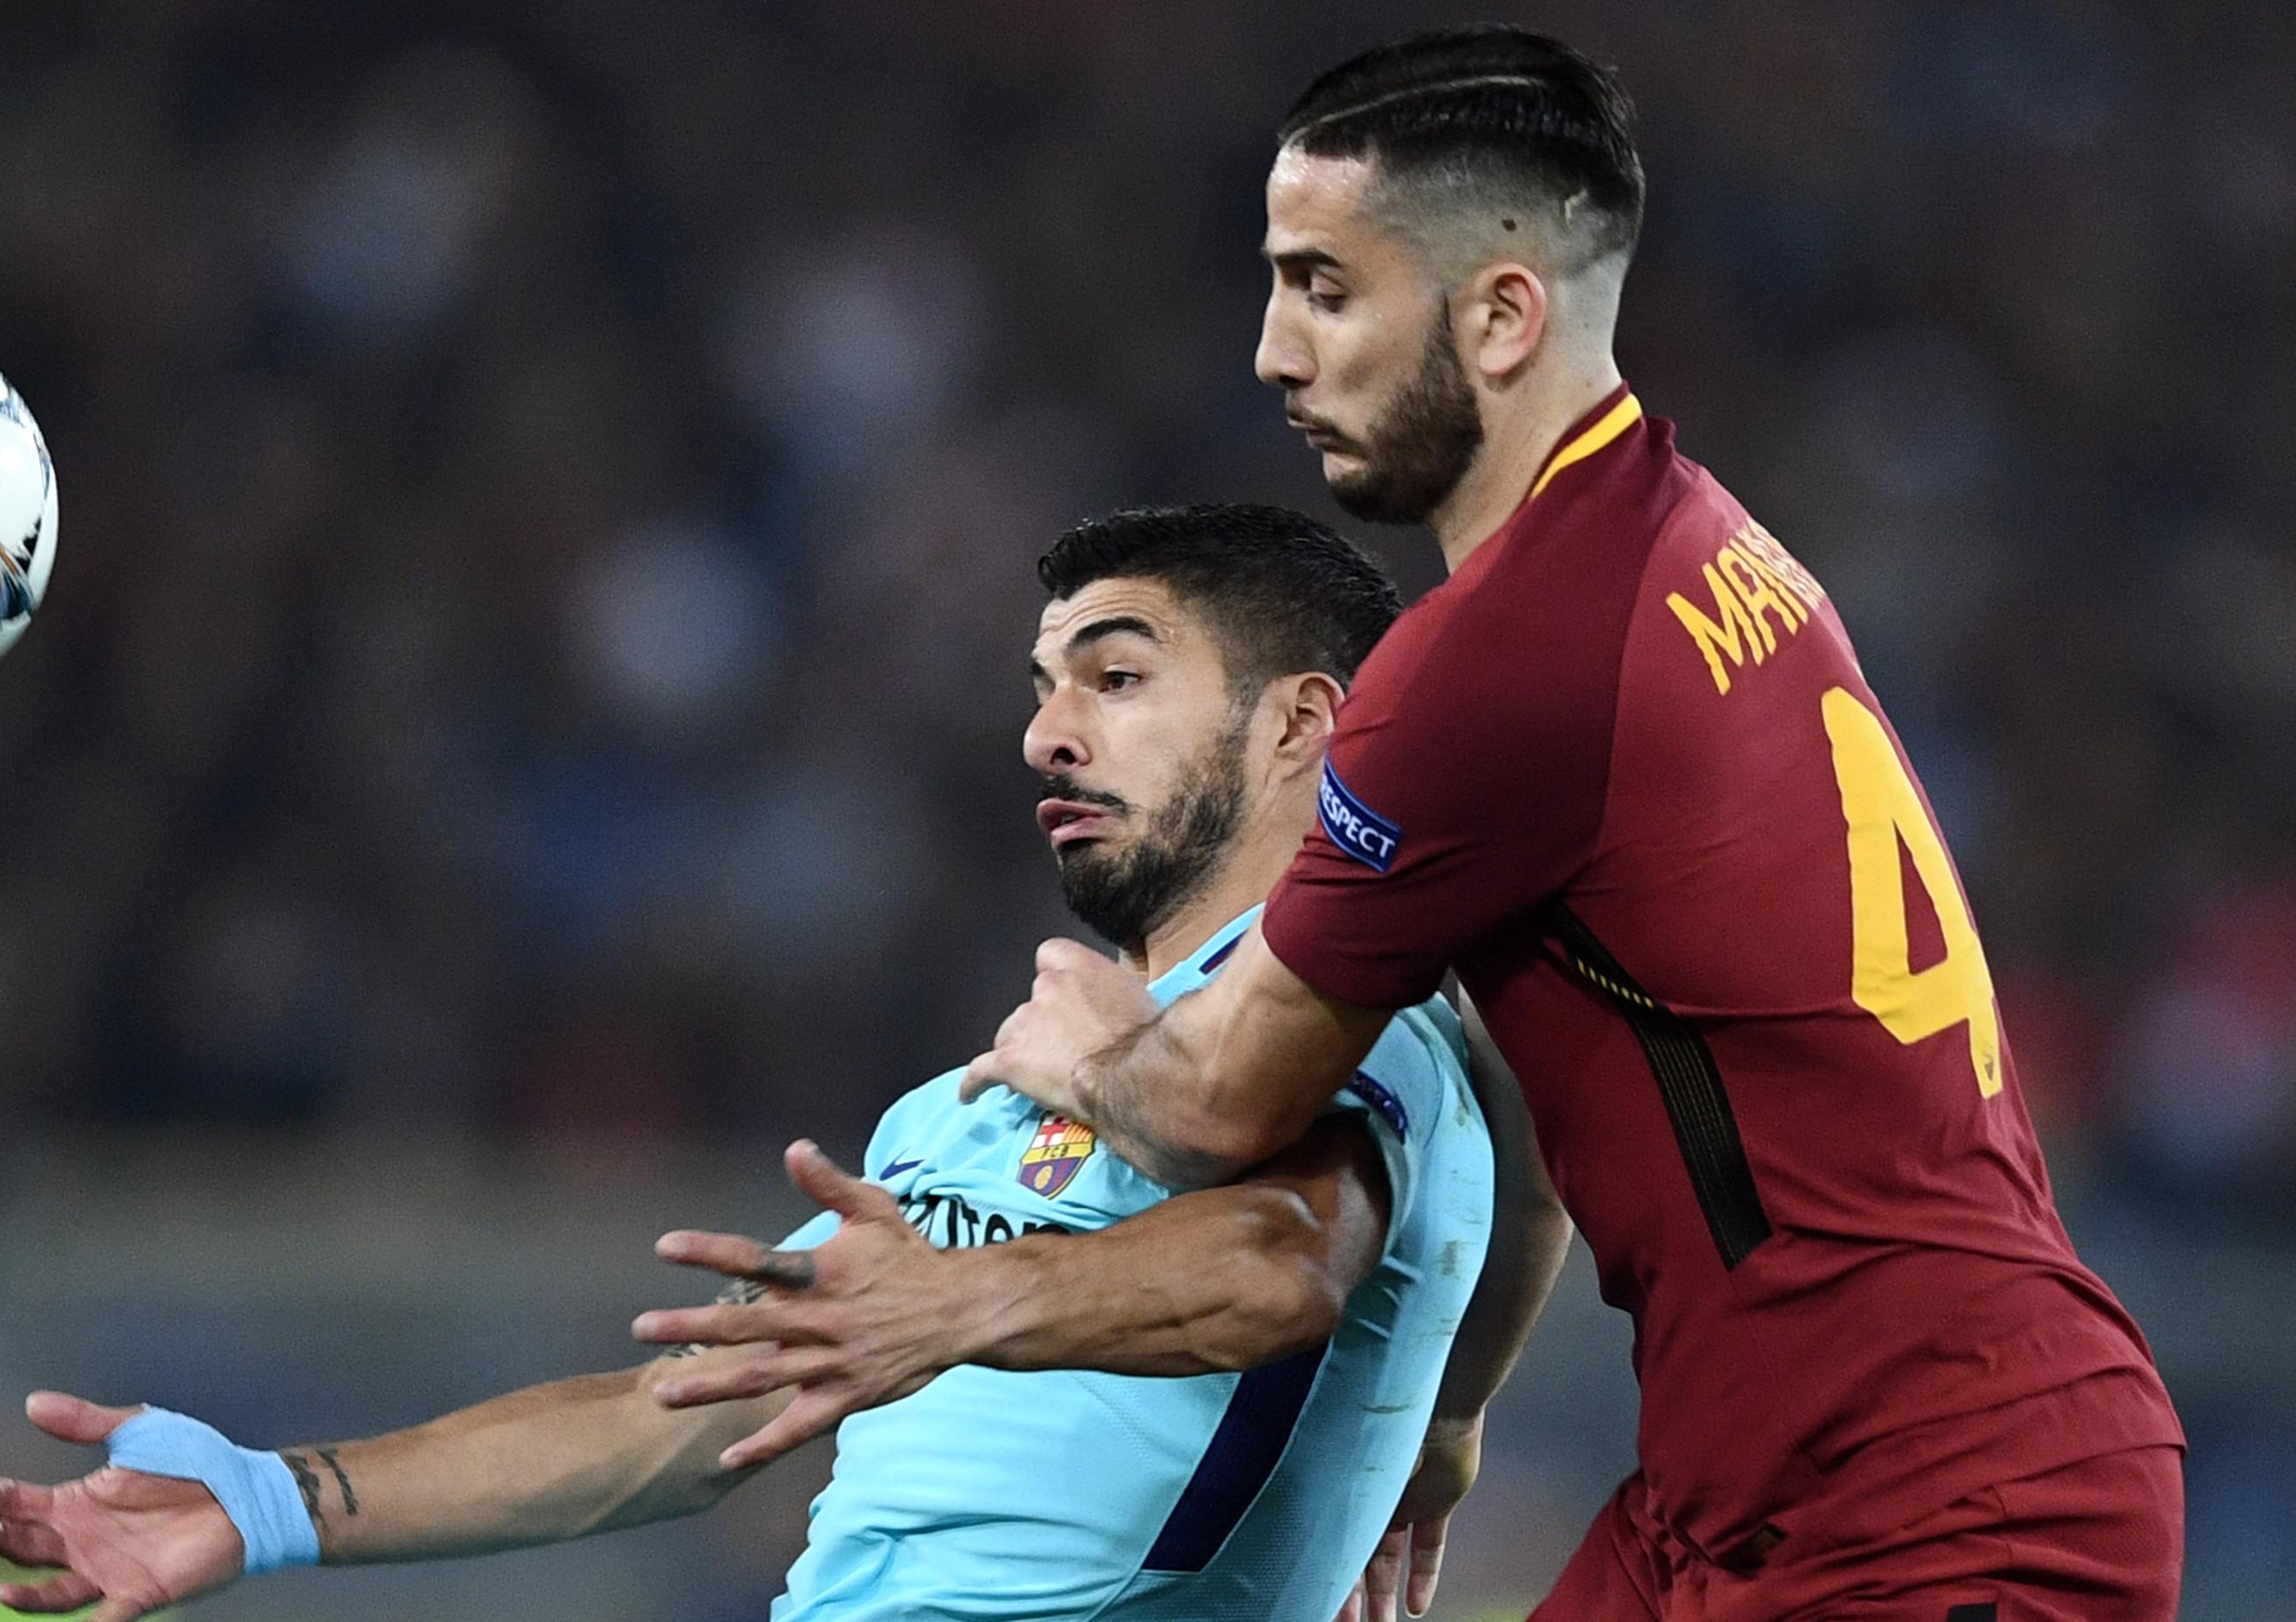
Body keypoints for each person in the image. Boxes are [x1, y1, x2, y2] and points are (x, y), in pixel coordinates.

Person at [642, 26, 2185, 1622]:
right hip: (1763, 1485)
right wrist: (1445, 1416)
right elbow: (1520, 1080)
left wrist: (1079, 1046)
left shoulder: (1500, 656)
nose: (1271, 352)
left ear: (1498, 313)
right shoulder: (1700, 540)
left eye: (1323, 288)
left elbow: (1217, 1102)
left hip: (1933, 1506)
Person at [0, 506, 1510, 1621]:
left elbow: (1284, 1261)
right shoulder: (973, 1099)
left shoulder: (1355, 1027)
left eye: (1110, 679)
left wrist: (965, 1296)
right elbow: (677, 1417)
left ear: (1300, 721)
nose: (1043, 736)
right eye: (1037, 689)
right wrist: (266, 1498)